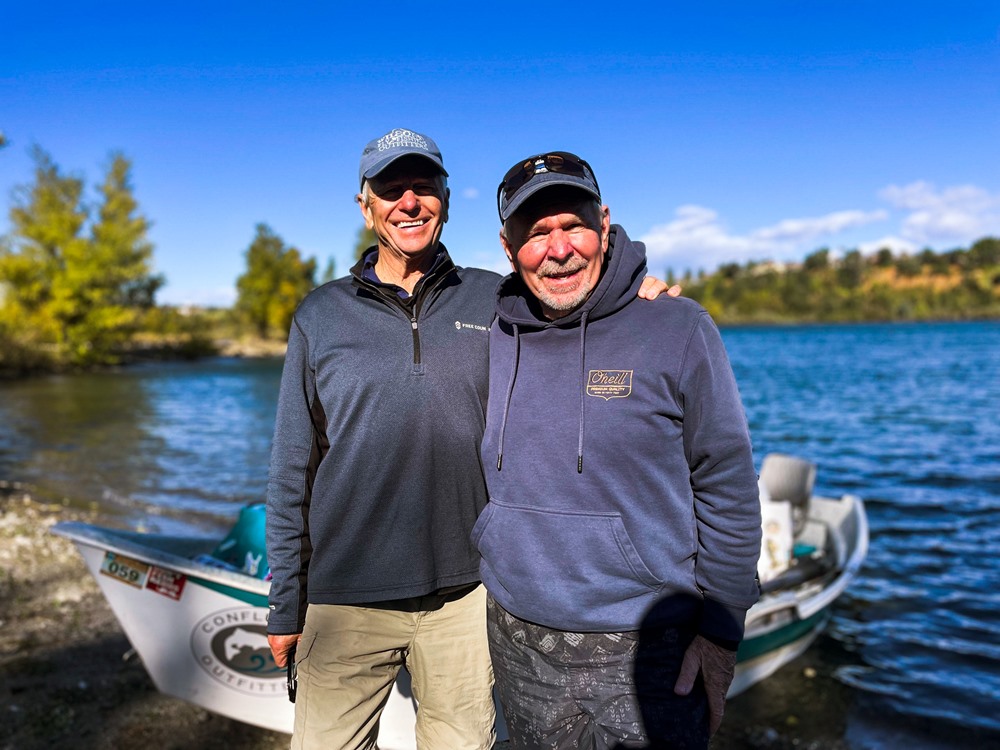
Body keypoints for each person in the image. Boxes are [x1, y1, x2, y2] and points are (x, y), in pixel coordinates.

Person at [265, 129, 674, 750]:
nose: (409, 202)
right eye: (391, 190)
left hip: (468, 596)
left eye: (424, 187)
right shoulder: (320, 315)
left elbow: (579, 305)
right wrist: (285, 603)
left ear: (447, 199)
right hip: (344, 598)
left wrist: (638, 296)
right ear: (365, 205)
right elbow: (292, 466)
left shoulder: (501, 297)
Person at [473, 151, 762, 749]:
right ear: (507, 247)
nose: (558, 250)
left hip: (650, 643)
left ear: (604, 223)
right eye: (536, 233)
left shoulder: (677, 327)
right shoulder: (491, 332)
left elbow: (726, 481)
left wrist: (722, 631)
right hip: (516, 636)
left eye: (573, 225)